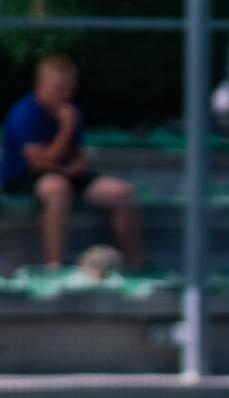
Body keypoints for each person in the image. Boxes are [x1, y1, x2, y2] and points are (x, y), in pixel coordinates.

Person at [1, 55, 145, 272]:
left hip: (64, 172)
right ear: (41, 85)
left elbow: (78, 153)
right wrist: (66, 128)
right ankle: (55, 265)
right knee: (58, 188)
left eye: (68, 89)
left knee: (121, 192)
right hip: (25, 176)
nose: (64, 95)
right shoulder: (26, 113)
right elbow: (40, 162)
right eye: (58, 89)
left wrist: (77, 165)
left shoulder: (70, 110)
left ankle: (137, 265)